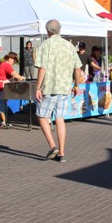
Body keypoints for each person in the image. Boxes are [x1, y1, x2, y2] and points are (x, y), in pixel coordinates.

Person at [34, 20, 84, 163]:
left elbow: (42, 67)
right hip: (64, 88)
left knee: (42, 116)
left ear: (48, 30)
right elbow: (78, 67)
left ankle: (52, 145)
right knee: (60, 119)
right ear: (60, 29)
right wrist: (76, 84)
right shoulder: (69, 46)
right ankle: (62, 152)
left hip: (50, 87)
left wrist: (38, 87)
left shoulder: (46, 45)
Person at [0, 52, 25, 128]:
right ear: (10, 58)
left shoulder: (4, 64)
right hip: (0, 87)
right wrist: (21, 78)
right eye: (14, 60)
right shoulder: (6, 65)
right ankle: (3, 122)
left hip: (2, 87)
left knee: (3, 104)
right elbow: (15, 74)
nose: (14, 62)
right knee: (1, 104)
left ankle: (4, 121)